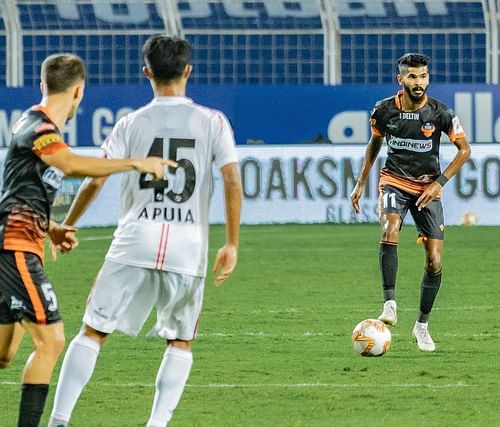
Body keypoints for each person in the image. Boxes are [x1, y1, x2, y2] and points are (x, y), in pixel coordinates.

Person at [48, 35, 242, 426]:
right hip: (189, 245)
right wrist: (232, 243)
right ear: (188, 70)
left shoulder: (130, 123)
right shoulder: (213, 121)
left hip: (134, 239)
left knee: (93, 331)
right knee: (180, 339)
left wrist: (67, 223)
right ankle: (156, 424)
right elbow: (232, 182)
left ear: (146, 72)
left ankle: (59, 420)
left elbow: (94, 181)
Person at [0, 53, 173, 427]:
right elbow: (70, 165)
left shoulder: (31, 124)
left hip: (20, 242)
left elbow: (17, 192)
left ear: (44, 85)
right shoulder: (39, 126)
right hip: (15, 247)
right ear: (80, 91)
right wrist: (135, 163)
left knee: (5, 353)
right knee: (52, 341)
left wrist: (52, 228)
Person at [350, 53, 471, 352]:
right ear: (400, 79)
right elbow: (374, 143)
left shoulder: (441, 113)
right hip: (394, 180)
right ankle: (389, 303)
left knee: (435, 260)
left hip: (428, 187)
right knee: (389, 229)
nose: (419, 83)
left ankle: (422, 327)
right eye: (413, 77)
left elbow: (464, 150)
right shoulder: (384, 110)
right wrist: (362, 181)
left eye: (423, 76)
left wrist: (438, 183)